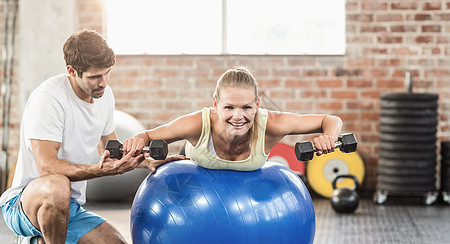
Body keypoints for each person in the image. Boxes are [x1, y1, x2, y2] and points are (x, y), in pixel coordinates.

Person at [0, 29, 182, 244]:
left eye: (107, 73)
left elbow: (110, 149)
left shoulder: (104, 96)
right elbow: (47, 168)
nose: (104, 82)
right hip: (25, 204)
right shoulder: (48, 98)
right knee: (57, 184)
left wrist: (145, 161)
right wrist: (99, 172)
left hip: (67, 207)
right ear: (72, 71)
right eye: (95, 76)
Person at [123, 67, 343, 171]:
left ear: (257, 105)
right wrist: (136, 141)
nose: (238, 117)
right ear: (216, 104)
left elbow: (330, 120)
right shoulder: (197, 124)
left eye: (246, 107)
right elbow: (148, 136)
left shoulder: (272, 124)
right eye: (229, 107)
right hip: (193, 182)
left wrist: (328, 137)